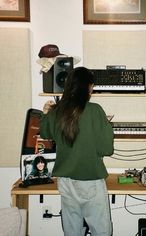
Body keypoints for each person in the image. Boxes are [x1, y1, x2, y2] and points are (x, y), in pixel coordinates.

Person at [40, 67, 114, 236]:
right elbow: (106, 149)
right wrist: (106, 126)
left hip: (65, 182)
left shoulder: (57, 111)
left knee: (72, 231)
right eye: (92, 86)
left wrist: (45, 113)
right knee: (102, 231)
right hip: (91, 182)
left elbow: (45, 132)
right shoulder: (95, 110)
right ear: (87, 87)